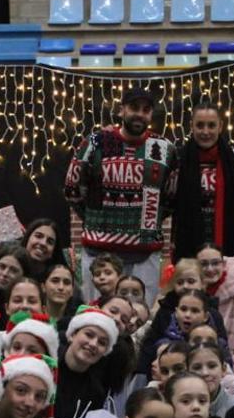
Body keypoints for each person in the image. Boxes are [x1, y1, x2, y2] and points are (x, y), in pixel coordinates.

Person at [65, 85, 178, 304]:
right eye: (134, 107)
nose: (140, 113)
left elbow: (172, 196)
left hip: (145, 252)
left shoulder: (165, 149)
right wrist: (95, 219)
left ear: (151, 114)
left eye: (146, 109)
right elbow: (72, 188)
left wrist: (148, 220)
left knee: (139, 319)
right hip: (98, 252)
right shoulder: (95, 143)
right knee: (96, 318)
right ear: (122, 110)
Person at [172, 100, 234, 261]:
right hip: (190, 241)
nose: (205, 131)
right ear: (192, 126)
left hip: (228, 240)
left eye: (211, 125)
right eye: (200, 125)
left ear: (220, 126)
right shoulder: (178, 159)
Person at [55, 305, 119, 418]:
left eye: (102, 342)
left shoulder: (96, 392)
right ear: (72, 335)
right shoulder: (46, 365)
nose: (93, 344)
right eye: (89, 335)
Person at [189, 342, 234, 418]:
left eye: (212, 366)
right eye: (197, 368)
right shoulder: (178, 406)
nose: (205, 373)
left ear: (223, 369)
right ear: (187, 371)